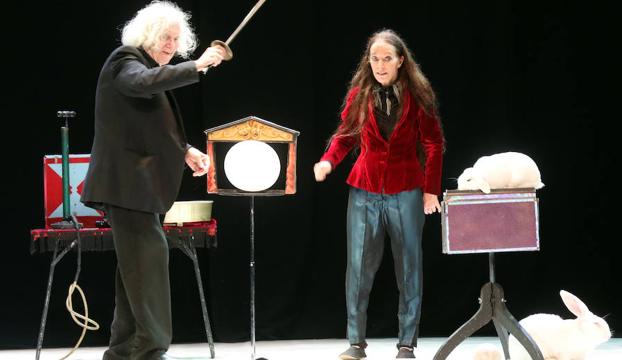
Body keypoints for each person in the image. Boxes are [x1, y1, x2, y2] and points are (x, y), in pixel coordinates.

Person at [80, 1, 227, 359]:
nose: (171, 45)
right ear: (147, 34)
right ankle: (147, 351)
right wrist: (198, 64)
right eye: (165, 37)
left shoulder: (146, 71)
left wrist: (185, 150)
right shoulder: (125, 61)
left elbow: (152, 128)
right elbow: (141, 84)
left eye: (177, 40)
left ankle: (123, 352)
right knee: (147, 265)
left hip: (137, 191)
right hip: (127, 188)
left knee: (138, 269)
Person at [313, 29, 445, 359]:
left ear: (401, 61)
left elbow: (433, 143)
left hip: (406, 189)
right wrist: (328, 161)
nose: (380, 65)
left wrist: (431, 191)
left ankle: (406, 344)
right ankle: (356, 343)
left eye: (387, 59)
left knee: (409, 268)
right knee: (358, 269)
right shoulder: (360, 94)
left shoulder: (418, 95)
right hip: (365, 190)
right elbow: (345, 136)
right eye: (375, 59)